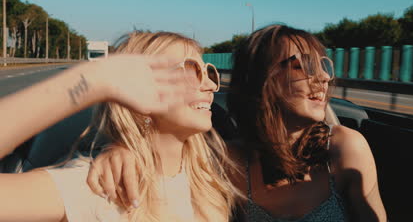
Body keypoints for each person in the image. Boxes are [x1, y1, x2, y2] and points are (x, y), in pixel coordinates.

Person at [88, 24, 387, 221]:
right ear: (263, 78)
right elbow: (167, 158)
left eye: (323, 65)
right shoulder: (231, 161)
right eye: (304, 65)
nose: (322, 77)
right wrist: (121, 147)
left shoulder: (345, 149)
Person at [0, 31, 241, 222]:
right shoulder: (100, 186)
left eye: (208, 71)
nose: (210, 84)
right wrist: (94, 79)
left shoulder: (212, 177)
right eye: (192, 70)